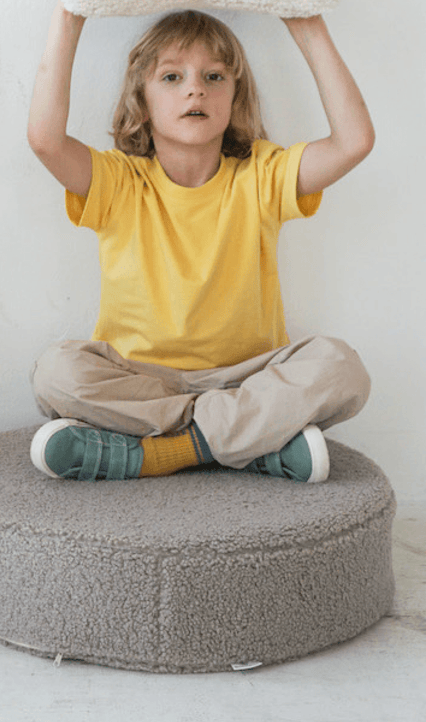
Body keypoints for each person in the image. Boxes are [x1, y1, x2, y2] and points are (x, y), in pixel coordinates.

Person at [26, 3, 374, 483]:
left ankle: (158, 454)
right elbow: (45, 140)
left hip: (247, 379)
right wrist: (70, 16)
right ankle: (251, 444)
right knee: (55, 373)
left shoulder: (261, 175)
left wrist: (306, 23)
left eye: (214, 77)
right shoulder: (120, 180)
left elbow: (354, 141)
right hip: (142, 382)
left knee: (342, 368)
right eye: (172, 78)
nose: (195, 88)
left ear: (235, 98)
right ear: (141, 101)